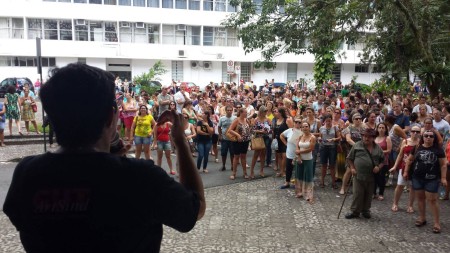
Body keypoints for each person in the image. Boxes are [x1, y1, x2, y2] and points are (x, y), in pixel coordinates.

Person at [3, 63, 205, 252]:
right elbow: (195, 210)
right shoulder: (140, 177)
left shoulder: (28, 173)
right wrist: (180, 142)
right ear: (111, 117)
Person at [404, 130, 447, 233]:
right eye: (426, 136)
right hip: (417, 178)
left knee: (432, 200)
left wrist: (443, 178)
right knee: (420, 198)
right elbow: (409, 160)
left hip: (432, 179)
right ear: (422, 137)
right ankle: (422, 217)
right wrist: (406, 171)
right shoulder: (417, 148)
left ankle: (436, 222)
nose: (428, 137)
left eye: (431, 136)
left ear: (434, 138)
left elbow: (443, 164)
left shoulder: (439, 150)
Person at [345, 128, 385, 219]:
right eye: (365, 136)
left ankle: (366, 210)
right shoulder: (357, 146)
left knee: (369, 194)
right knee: (358, 194)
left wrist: (378, 167)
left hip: (371, 176)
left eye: (369, 137)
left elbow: (383, 160)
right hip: (358, 175)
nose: (366, 138)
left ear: (373, 138)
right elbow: (349, 158)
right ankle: (355, 211)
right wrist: (352, 168)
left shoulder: (377, 148)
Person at [389, 125, 421, 213]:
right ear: (410, 132)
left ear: (420, 133)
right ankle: (395, 203)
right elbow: (400, 155)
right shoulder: (405, 141)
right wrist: (395, 166)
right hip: (403, 166)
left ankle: (410, 205)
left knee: (412, 187)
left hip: (415, 168)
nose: (415, 133)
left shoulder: (420, 143)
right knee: (400, 185)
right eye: (413, 131)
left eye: (417, 132)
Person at [295, 121, 316, 202]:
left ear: (309, 127)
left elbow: (311, 149)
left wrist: (299, 152)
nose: (304, 128)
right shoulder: (300, 137)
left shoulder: (312, 137)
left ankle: (308, 194)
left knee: (308, 176)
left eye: (306, 126)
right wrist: (299, 157)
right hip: (300, 159)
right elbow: (297, 147)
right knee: (299, 175)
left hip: (308, 159)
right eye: (303, 127)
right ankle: (299, 192)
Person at [280, 117, 303, 189]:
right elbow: (281, 135)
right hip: (289, 153)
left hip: (299, 154)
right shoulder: (289, 131)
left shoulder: (302, 132)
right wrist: (285, 143)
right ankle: (287, 182)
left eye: (299, 122)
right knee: (289, 168)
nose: (297, 124)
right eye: (296, 122)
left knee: (298, 169)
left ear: (301, 124)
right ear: (293, 123)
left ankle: (297, 183)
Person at [228, 107, 251, 180]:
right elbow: (230, 130)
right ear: (241, 113)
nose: (246, 114)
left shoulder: (246, 120)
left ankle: (245, 172)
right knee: (236, 157)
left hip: (245, 141)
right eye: (245, 112)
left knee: (243, 156)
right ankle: (234, 173)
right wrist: (238, 135)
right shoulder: (236, 120)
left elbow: (248, 129)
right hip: (237, 141)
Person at [249, 106, 270, 178]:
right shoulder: (256, 120)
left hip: (265, 137)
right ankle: (252, 171)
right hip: (258, 137)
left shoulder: (267, 119)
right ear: (261, 112)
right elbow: (251, 130)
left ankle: (261, 170)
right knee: (256, 154)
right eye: (265, 111)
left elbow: (270, 128)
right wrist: (260, 131)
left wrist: (268, 130)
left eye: (266, 111)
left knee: (263, 154)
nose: (266, 113)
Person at [218, 105, 236, 171]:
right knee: (223, 153)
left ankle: (232, 165)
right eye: (228, 110)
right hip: (224, 138)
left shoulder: (235, 118)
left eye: (230, 110)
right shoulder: (222, 118)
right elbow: (219, 127)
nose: (229, 111)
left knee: (232, 153)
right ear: (225, 111)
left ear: (232, 111)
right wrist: (220, 135)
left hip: (232, 138)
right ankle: (223, 165)